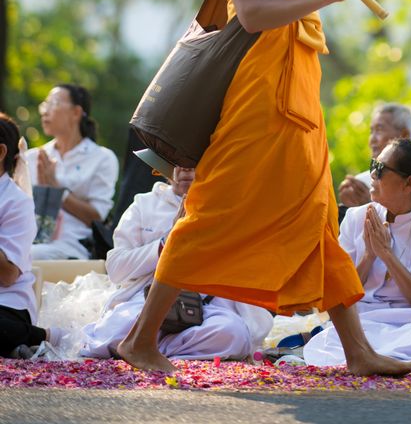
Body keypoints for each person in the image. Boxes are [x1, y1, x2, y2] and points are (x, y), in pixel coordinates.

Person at [118, 0, 411, 376]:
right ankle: (140, 339)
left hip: (299, 100)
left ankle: (356, 351)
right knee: (213, 211)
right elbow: (254, 14)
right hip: (256, 100)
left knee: (317, 216)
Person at [304, 138, 411, 369]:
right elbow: (340, 293)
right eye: (373, 166)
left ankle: (384, 359)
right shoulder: (356, 219)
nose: (372, 176)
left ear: (409, 184)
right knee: (330, 345)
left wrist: (387, 255)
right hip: (366, 318)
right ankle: (378, 359)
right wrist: (369, 255)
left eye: (380, 170)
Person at [80, 166, 272, 360]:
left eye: (193, 162)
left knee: (232, 334)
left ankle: (145, 349)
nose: (185, 170)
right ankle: (153, 347)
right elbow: (116, 269)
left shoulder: (232, 206)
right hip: (145, 302)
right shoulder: (144, 204)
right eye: (176, 162)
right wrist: (167, 241)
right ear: (162, 167)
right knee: (116, 330)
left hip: (212, 308)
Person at [27, 84, 119, 259]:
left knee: (28, 256)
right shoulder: (33, 157)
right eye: (44, 105)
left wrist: (57, 191)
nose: (45, 111)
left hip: (72, 248)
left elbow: (97, 217)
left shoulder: (102, 158)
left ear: (76, 112)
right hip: (30, 240)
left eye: (53, 103)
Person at [0, 113, 61, 358]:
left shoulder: (16, 202)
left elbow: (7, 274)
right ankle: (16, 346)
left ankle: (38, 336)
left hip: (7, 304)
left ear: (1, 152)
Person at [338, 104, 411, 208]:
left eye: (379, 130)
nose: (372, 140)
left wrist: (368, 205)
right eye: (371, 131)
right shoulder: (361, 185)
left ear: (404, 135)